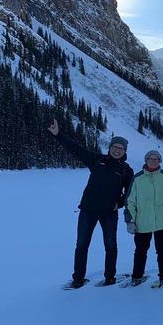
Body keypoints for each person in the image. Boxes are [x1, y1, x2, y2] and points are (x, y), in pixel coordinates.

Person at [48, 118, 133, 288]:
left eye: (120, 148)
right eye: (114, 147)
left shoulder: (125, 170)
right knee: (81, 245)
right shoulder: (97, 160)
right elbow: (76, 149)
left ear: (124, 151)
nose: (117, 151)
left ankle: (110, 277)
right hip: (87, 211)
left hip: (109, 213)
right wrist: (58, 135)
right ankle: (78, 279)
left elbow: (131, 192)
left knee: (110, 245)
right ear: (109, 148)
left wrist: (120, 203)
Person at [124, 150, 163, 286]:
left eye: (156, 159)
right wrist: (130, 220)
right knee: (140, 251)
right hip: (142, 222)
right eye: (150, 159)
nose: (153, 161)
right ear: (146, 160)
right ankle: (137, 277)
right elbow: (130, 201)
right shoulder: (137, 178)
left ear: (160, 161)